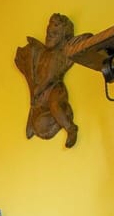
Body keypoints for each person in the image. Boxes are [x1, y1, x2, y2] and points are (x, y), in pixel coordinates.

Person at [15, 13, 80, 148]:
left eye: (54, 34)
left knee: (55, 106)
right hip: (42, 93)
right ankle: (61, 115)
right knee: (39, 124)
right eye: (48, 32)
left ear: (63, 38)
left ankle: (71, 128)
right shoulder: (41, 53)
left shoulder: (59, 55)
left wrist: (39, 89)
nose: (49, 36)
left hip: (55, 89)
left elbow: (51, 77)